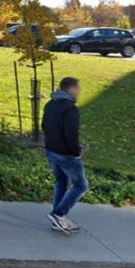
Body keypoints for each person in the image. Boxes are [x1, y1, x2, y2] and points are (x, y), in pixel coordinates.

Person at [42, 76, 88, 233]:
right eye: (78, 88)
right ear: (71, 89)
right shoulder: (70, 108)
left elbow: (44, 126)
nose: (79, 91)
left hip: (51, 150)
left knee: (61, 182)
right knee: (81, 185)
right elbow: (71, 134)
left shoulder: (50, 104)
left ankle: (57, 220)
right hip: (66, 154)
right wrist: (76, 153)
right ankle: (58, 213)